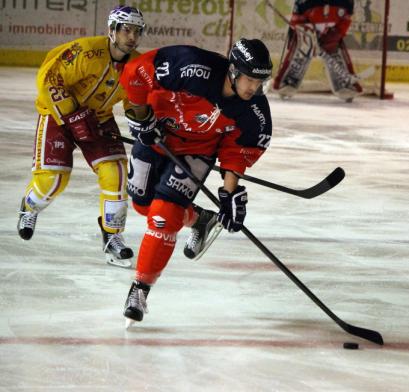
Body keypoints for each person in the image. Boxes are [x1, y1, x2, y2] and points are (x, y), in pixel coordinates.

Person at [119, 38, 273, 327]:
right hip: (156, 135)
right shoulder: (191, 67)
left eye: (260, 81)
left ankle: (139, 290)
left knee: (163, 217)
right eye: (250, 79)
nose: (254, 87)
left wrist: (229, 194)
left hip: (198, 151)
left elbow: (236, 152)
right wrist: (141, 116)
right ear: (233, 71)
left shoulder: (254, 112)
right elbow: (136, 73)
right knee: (142, 206)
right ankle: (200, 219)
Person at [16, 5, 146, 267]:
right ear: (112, 30)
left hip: (98, 119)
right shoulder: (86, 51)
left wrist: (144, 124)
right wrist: (71, 113)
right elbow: (48, 79)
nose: (131, 37)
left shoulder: (137, 65)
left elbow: (136, 100)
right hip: (57, 114)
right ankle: (29, 207)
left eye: (136, 31)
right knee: (52, 181)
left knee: (116, 173)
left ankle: (112, 238)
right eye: (126, 30)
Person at [270, 0, 362, 101]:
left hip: (331, 31)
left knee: (335, 48)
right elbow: (297, 18)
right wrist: (306, 30)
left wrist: (336, 33)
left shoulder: (346, 2)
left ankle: (345, 84)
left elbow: (346, 20)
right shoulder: (304, 2)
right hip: (308, 32)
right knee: (302, 48)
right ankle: (286, 82)